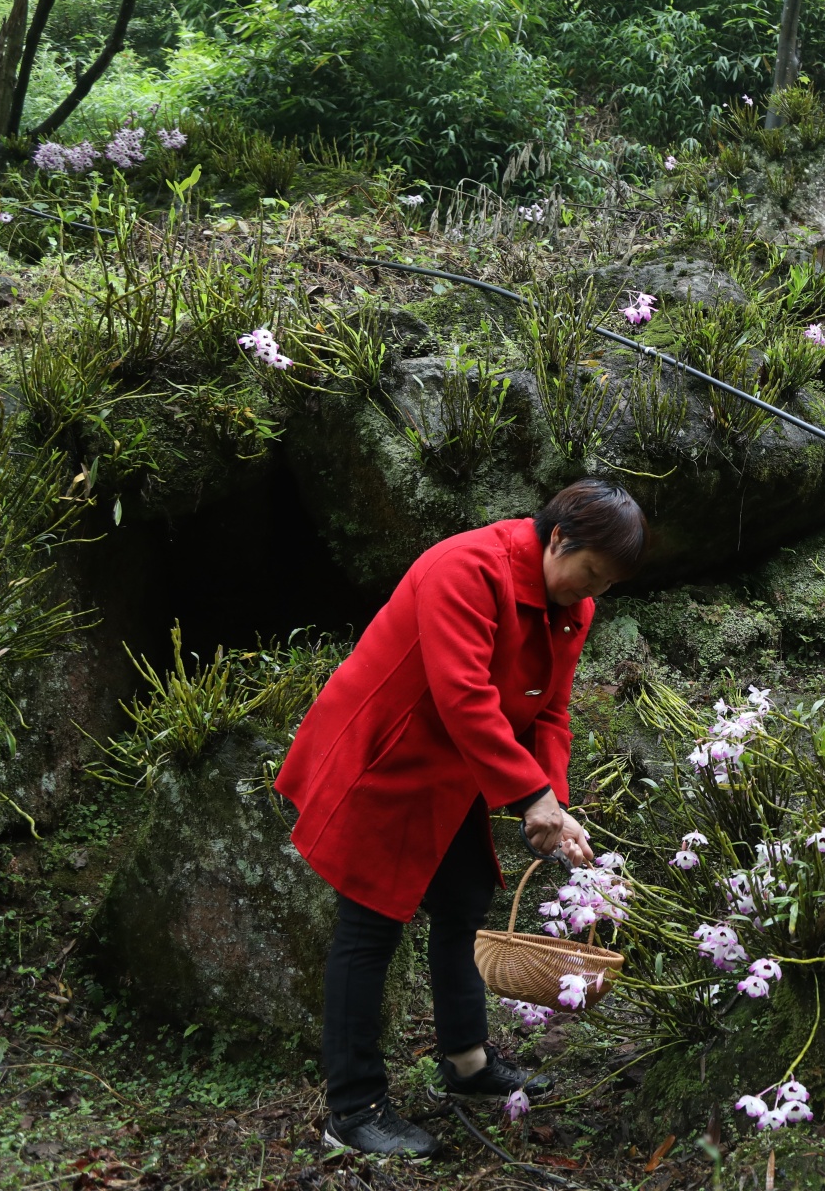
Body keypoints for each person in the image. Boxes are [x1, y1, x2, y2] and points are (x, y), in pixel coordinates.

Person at [275, 478, 647, 1157]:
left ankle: (467, 1061)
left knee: (465, 895)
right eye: (589, 573)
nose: (590, 592)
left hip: (457, 770)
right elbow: (462, 694)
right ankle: (352, 1110)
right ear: (558, 538)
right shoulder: (467, 567)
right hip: (386, 757)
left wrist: (551, 801)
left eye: (606, 585)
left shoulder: (574, 605)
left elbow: (552, 709)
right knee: (370, 927)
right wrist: (529, 797)